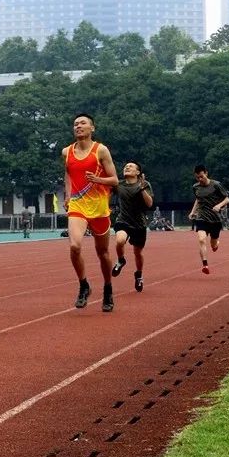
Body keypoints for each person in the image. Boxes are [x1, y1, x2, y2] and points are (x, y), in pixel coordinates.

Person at [61, 113, 119, 312]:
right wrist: (68, 195)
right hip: (78, 205)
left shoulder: (100, 150)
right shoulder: (66, 152)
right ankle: (84, 284)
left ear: (92, 128)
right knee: (75, 246)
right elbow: (68, 174)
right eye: (75, 124)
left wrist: (98, 179)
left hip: (100, 208)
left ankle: (108, 288)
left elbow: (115, 180)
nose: (78, 126)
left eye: (83, 123)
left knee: (102, 253)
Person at [112, 162, 153, 292]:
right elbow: (105, 192)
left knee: (137, 252)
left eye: (131, 166)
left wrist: (141, 188)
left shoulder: (144, 184)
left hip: (139, 224)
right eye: (125, 166)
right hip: (123, 220)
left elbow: (149, 204)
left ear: (137, 172)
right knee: (119, 240)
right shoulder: (118, 184)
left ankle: (139, 275)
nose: (127, 167)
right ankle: (121, 260)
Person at [189, 164, 229, 275]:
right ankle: (205, 265)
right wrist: (193, 212)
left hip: (215, 218)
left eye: (201, 176)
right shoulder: (195, 187)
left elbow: (227, 199)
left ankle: (216, 243)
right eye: (197, 177)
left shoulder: (216, 185)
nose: (200, 179)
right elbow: (198, 199)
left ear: (206, 173)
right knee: (202, 240)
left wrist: (219, 205)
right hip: (201, 217)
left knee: (213, 245)